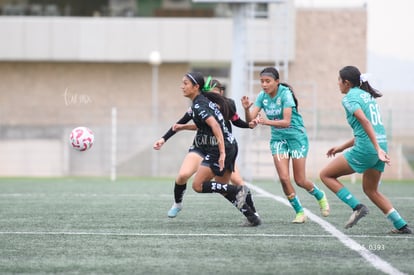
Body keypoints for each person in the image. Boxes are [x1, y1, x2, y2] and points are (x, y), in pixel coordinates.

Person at [154, 72, 260, 226]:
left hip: (220, 148)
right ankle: (252, 217)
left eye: (185, 83)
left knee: (199, 185)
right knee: (222, 187)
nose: (182, 86)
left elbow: (216, 125)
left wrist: (222, 152)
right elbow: (194, 124)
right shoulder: (200, 104)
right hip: (222, 146)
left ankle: (240, 193)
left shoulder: (202, 104)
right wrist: (165, 137)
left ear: (196, 87)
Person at [319, 65, 411, 234]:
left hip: (371, 148)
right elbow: (366, 129)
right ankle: (401, 225)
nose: (338, 84)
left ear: (346, 83)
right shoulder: (367, 96)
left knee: (325, 175)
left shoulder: (348, 98)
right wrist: (341, 147)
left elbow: (366, 123)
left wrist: (376, 149)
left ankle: (357, 207)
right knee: (370, 190)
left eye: (339, 80)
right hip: (380, 145)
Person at [241, 67, 330, 223]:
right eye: (262, 81)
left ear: (276, 82)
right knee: (283, 177)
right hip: (278, 141)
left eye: (267, 81)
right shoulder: (262, 96)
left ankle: (320, 195)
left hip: (296, 138)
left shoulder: (285, 94)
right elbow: (250, 123)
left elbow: (286, 122)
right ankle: (300, 212)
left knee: (300, 180)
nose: (264, 84)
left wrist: (265, 121)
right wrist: (247, 110)